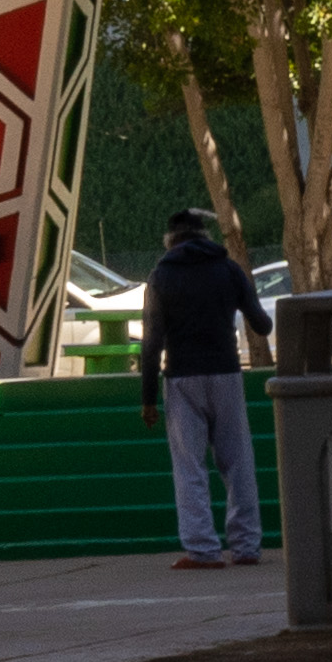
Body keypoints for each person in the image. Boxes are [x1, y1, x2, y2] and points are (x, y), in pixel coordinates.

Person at [133, 208, 275, 569]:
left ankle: (203, 549)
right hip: (226, 373)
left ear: (170, 241)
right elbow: (262, 324)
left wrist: (148, 400)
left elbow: (151, 344)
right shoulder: (229, 269)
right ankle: (246, 547)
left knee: (189, 467)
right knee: (238, 461)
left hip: (181, 378)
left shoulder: (161, 276)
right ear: (204, 237)